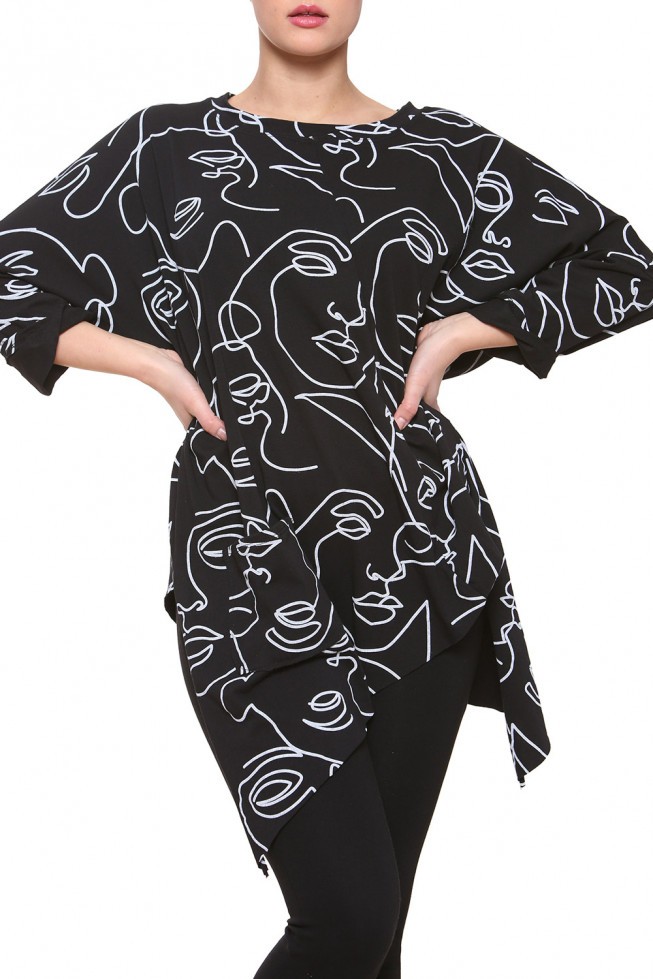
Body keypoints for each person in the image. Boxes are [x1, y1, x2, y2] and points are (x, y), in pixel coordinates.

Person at [1, 2, 652, 976]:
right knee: (344, 918)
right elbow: (10, 274)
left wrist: (460, 330)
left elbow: (622, 267)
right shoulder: (165, 148)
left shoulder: (439, 153)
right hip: (245, 556)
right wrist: (152, 363)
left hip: (422, 553)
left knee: (373, 937)